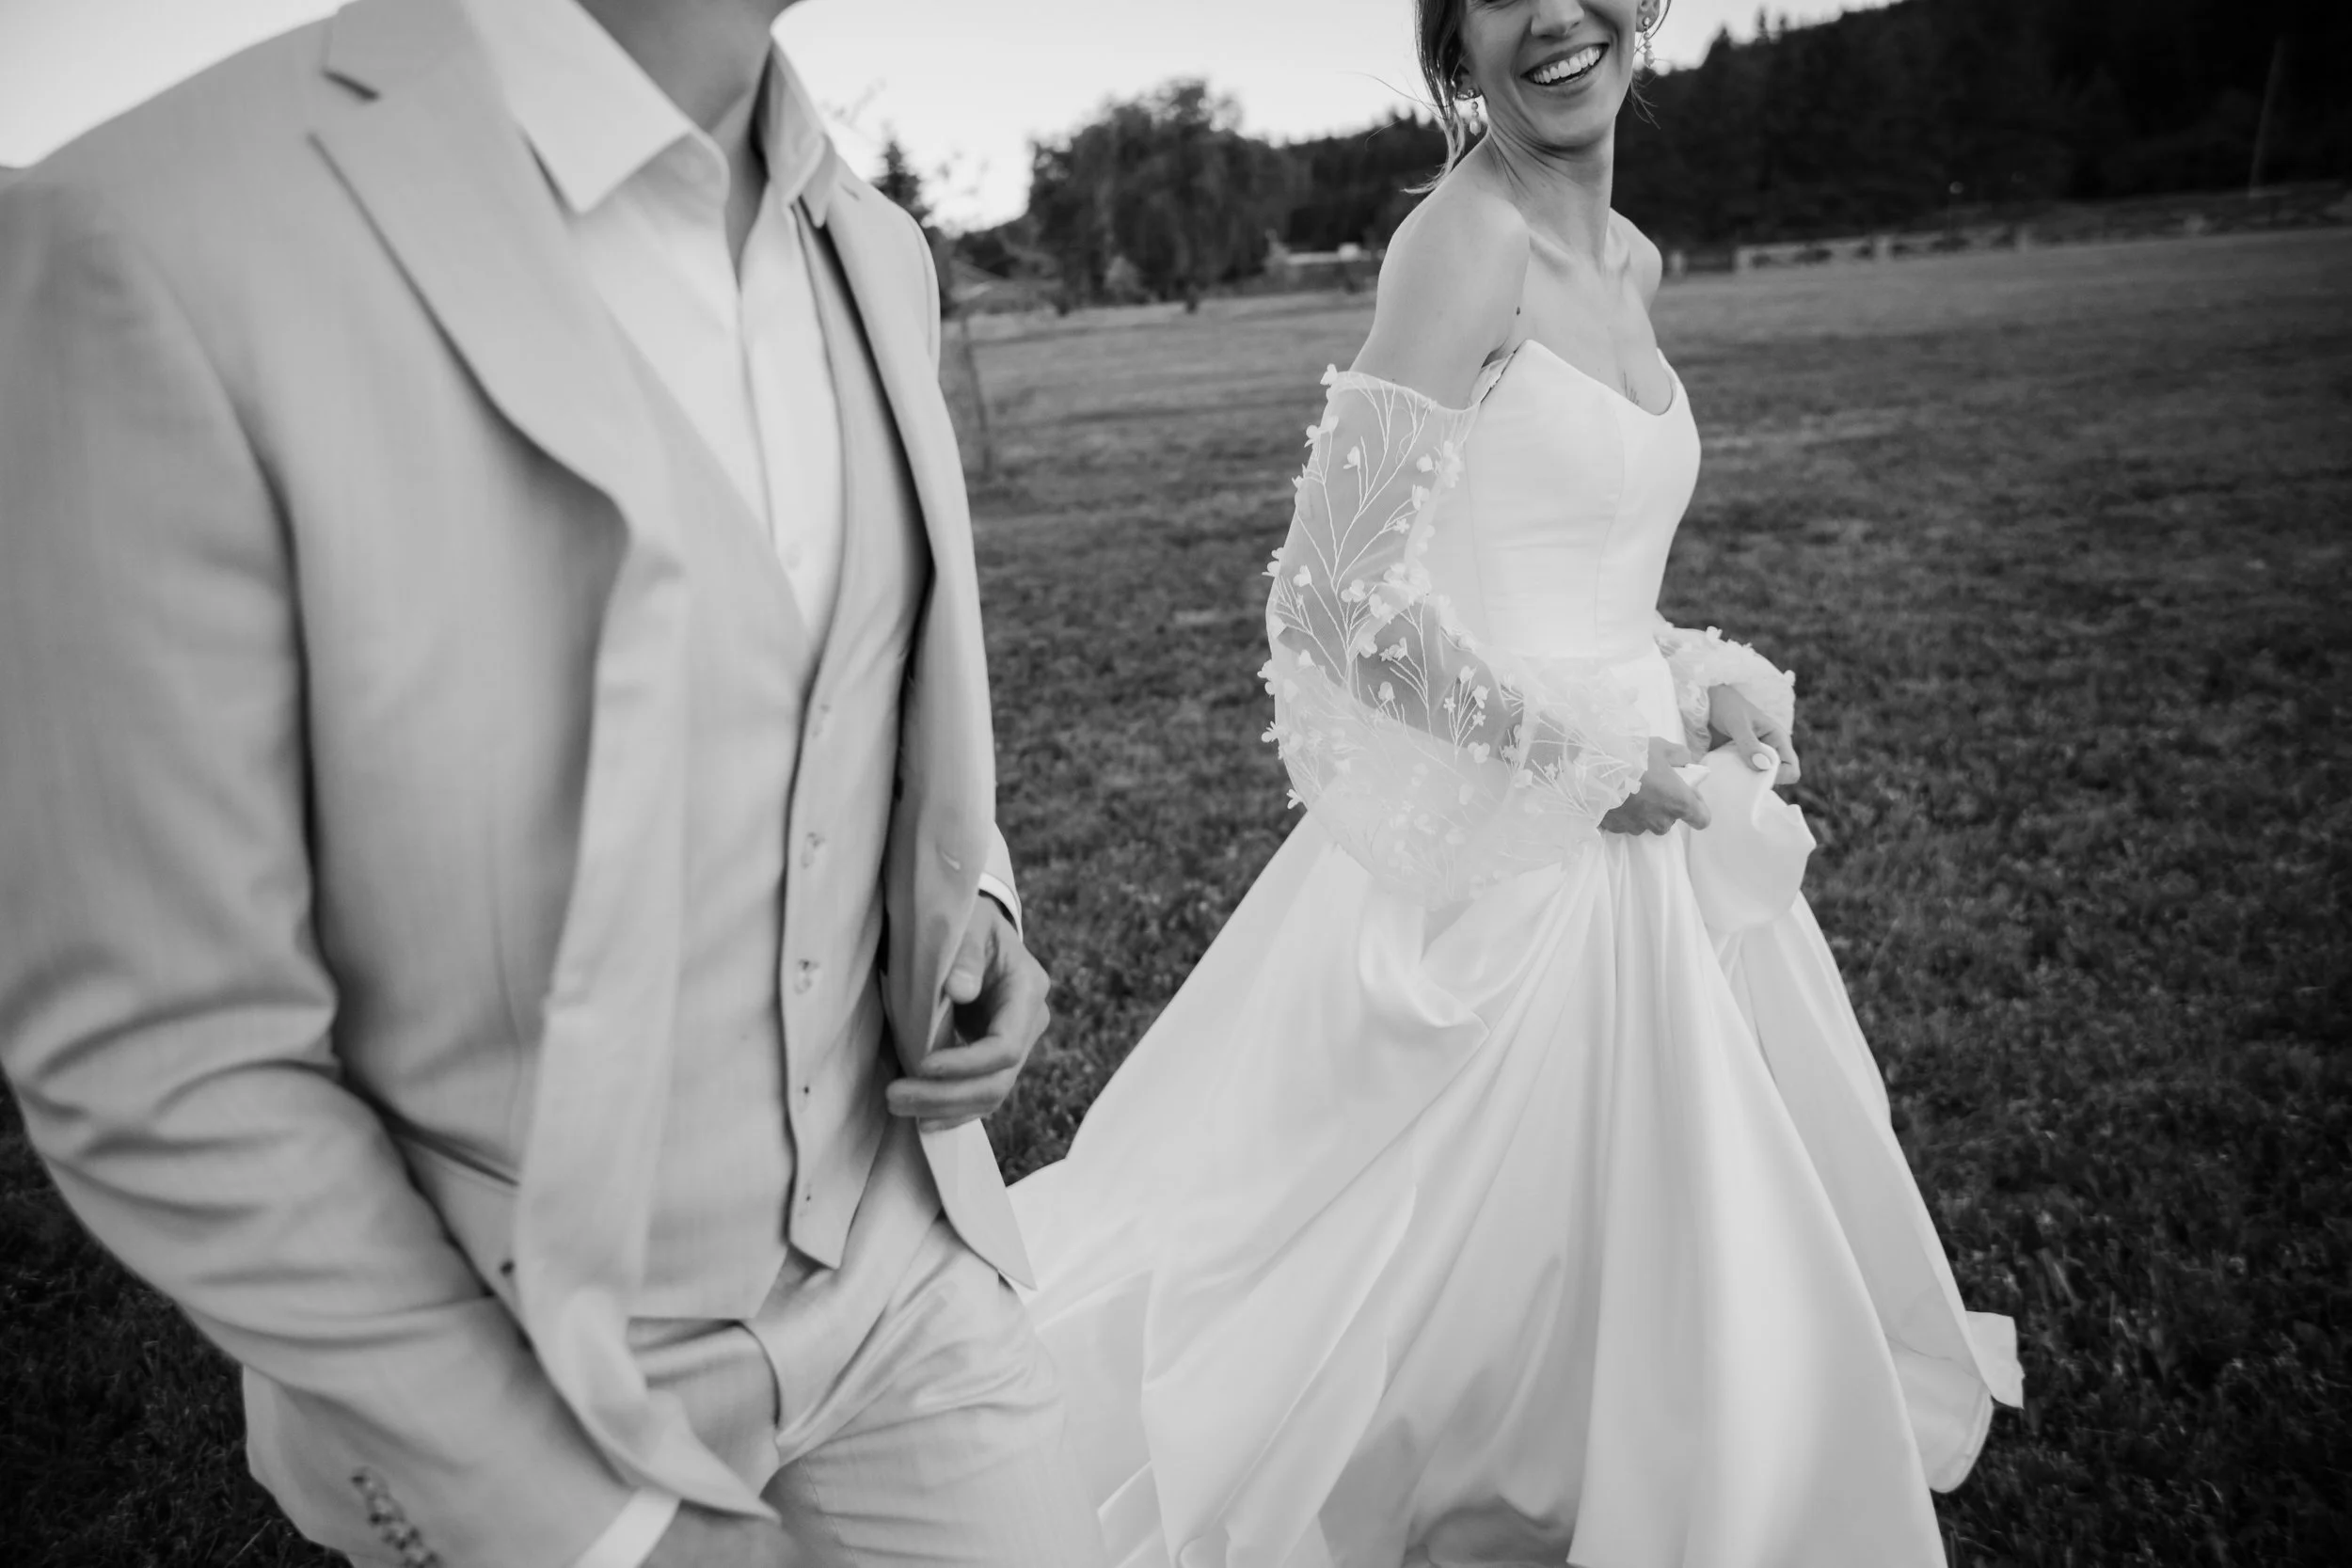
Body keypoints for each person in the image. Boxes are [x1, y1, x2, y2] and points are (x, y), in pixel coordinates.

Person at [0, 0, 1108, 1564]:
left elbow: (868, 703)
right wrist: (595, 1531)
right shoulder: (151, 238)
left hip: (906, 1274)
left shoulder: (872, 246)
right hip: (529, 1365)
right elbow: (164, 1054)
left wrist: (976, 901)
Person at [1008, 1, 2024, 1562]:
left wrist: (1691, 665)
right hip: (1523, 845)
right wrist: (1574, 762)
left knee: (1671, 1215)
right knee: (1406, 1291)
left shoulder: (1636, 263)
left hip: (1647, 811)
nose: (1554, 14)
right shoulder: (1459, 247)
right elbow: (1334, 600)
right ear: (1452, 36)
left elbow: (1566, 567)